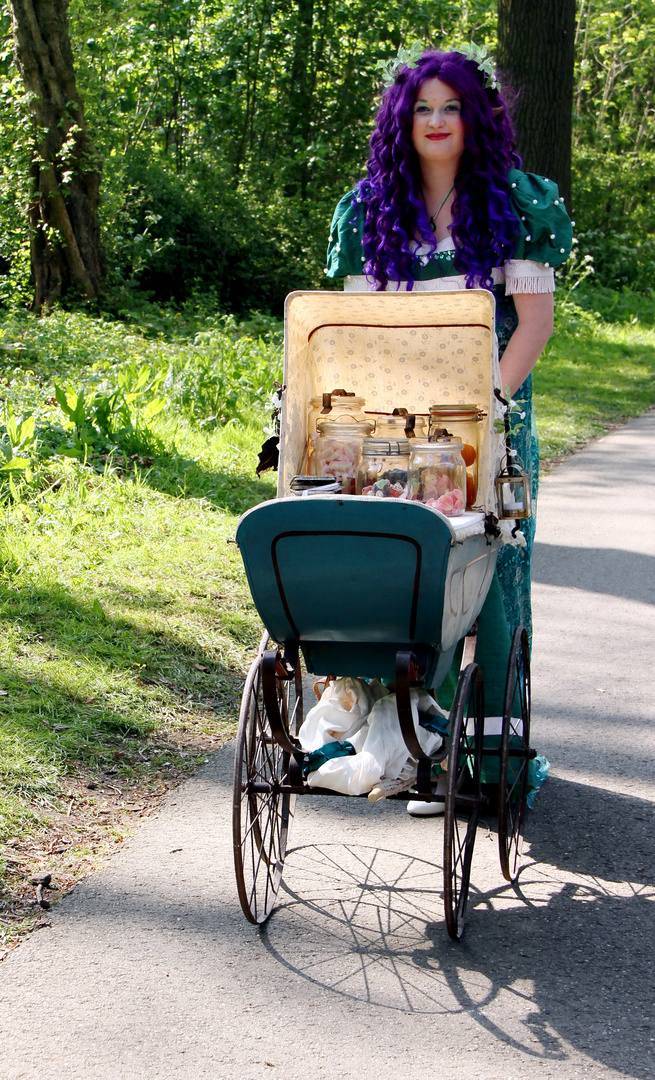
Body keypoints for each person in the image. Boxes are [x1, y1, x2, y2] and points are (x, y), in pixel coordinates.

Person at [325, 47, 572, 813]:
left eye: (451, 107)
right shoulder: (367, 208)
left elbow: (532, 324)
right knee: (395, 566)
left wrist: (488, 405)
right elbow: (354, 327)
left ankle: (485, 763)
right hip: (391, 417)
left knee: (485, 578)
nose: (436, 122)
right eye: (423, 109)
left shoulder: (517, 202)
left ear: (477, 116)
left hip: (489, 411)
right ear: (403, 120)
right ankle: (403, 740)